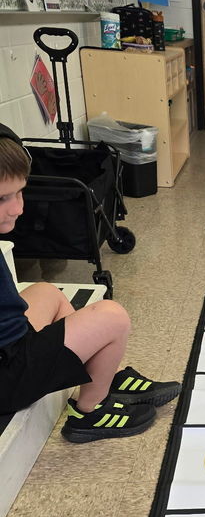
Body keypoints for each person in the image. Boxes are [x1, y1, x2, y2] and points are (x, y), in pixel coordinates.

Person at [0, 126, 180, 441]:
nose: (18, 208)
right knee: (112, 316)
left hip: (10, 346)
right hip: (6, 375)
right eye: (2, 198)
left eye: (20, 192)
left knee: (47, 292)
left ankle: (101, 376)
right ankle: (89, 412)